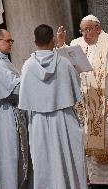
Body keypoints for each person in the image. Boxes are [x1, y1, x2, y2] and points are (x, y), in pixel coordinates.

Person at [57, 15, 108, 189]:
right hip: (87, 104)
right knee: (87, 144)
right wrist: (61, 44)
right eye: (82, 30)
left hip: (105, 102)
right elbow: (68, 60)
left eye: (88, 29)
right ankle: (96, 181)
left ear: (98, 28)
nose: (85, 34)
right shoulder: (79, 44)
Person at [18, 24, 87, 189]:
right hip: (64, 119)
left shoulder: (28, 66)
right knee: (69, 159)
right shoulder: (64, 63)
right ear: (52, 40)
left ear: (35, 42)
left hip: (39, 122)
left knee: (45, 163)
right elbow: (76, 88)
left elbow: (25, 101)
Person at [0, 29, 31, 189]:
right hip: (6, 114)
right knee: (10, 155)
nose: (11, 44)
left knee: (15, 154)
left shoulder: (2, 61)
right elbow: (16, 87)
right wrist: (29, 72)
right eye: (8, 41)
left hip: (10, 111)